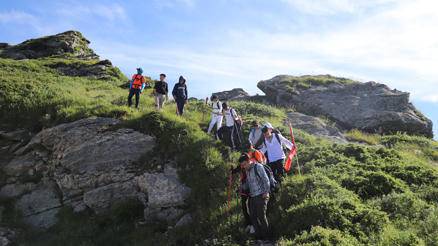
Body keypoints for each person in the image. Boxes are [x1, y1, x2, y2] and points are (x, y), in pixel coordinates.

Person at [239, 153, 271, 241]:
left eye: (244, 164)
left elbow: (266, 180)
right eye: (242, 165)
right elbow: (248, 185)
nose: (243, 167)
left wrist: (266, 192)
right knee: (252, 216)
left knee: (261, 216)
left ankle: (267, 237)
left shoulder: (258, 167)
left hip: (261, 195)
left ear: (249, 161)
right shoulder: (247, 171)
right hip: (252, 197)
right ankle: (259, 236)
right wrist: (242, 186)